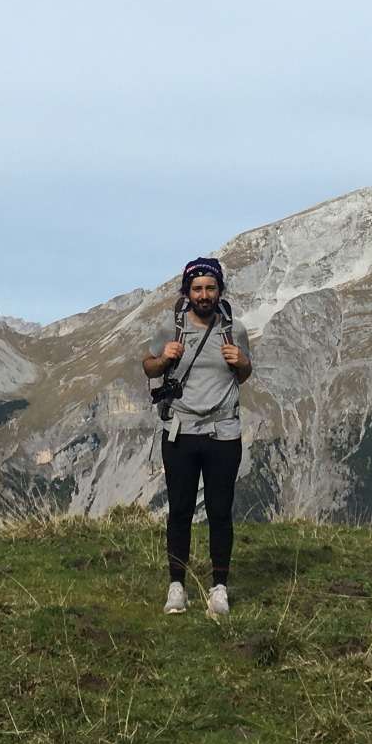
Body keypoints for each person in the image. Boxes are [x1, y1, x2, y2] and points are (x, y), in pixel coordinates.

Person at [142, 255, 253, 618]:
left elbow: (245, 373)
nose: (204, 294)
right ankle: (177, 586)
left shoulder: (234, 330)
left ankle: (219, 587)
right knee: (180, 510)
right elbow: (148, 366)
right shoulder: (169, 329)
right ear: (187, 292)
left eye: (210, 287)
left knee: (221, 511)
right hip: (180, 431)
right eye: (197, 288)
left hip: (224, 432)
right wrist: (164, 359)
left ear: (219, 290)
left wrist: (241, 361)